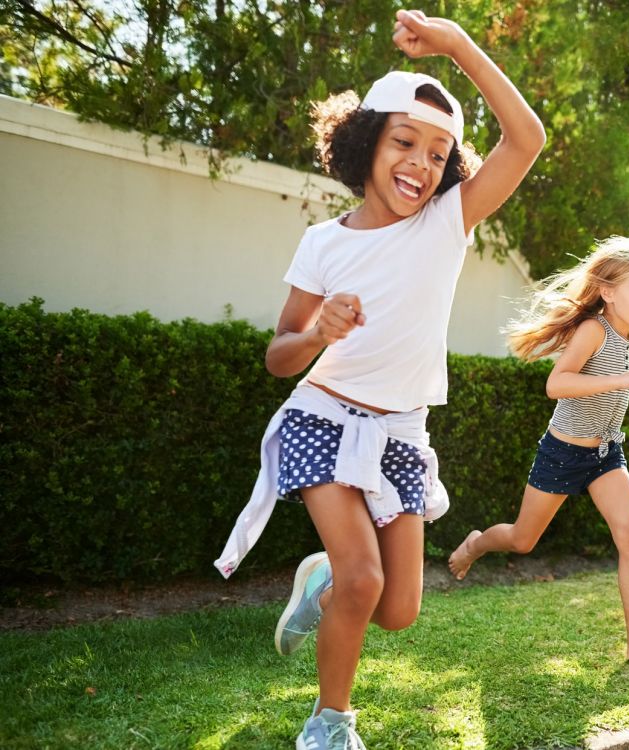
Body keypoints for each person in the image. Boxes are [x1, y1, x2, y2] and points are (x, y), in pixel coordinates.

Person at [213, 11, 545, 747]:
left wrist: (456, 45)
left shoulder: (446, 224)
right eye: (404, 142)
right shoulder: (322, 243)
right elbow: (278, 356)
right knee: (364, 581)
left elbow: (527, 140)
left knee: (397, 610)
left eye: (438, 153)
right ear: (365, 142)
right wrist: (316, 332)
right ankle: (329, 724)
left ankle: (318, 580)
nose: (420, 165)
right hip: (321, 417)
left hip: (400, 433)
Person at [445, 237, 629, 664]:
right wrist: (626, 379)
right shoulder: (595, 330)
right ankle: (477, 544)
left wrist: (626, 379)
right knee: (522, 539)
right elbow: (558, 384)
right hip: (563, 453)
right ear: (608, 292)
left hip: (606, 455)